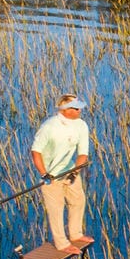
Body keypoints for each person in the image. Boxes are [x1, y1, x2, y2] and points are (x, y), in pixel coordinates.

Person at [32, 94, 92, 250]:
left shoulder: (81, 125)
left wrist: (74, 172)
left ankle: (76, 234)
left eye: (80, 107)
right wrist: (44, 174)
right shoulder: (49, 127)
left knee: (78, 201)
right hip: (51, 175)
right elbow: (35, 152)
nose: (80, 110)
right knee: (56, 208)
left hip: (70, 169)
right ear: (65, 110)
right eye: (76, 107)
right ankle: (61, 243)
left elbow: (83, 153)